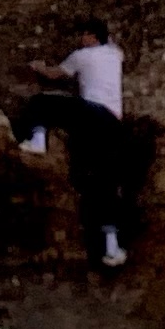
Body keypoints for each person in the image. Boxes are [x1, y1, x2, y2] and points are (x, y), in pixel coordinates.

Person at [59, 22, 127, 270]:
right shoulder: (115, 54)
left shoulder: (81, 56)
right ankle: (111, 244)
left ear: (91, 36)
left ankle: (37, 135)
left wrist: (37, 67)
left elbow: (58, 74)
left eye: (84, 34)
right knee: (107, 181)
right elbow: (118, 46)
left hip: (92, 117)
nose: (80, 38)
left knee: (88, 178)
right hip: (114, 122)